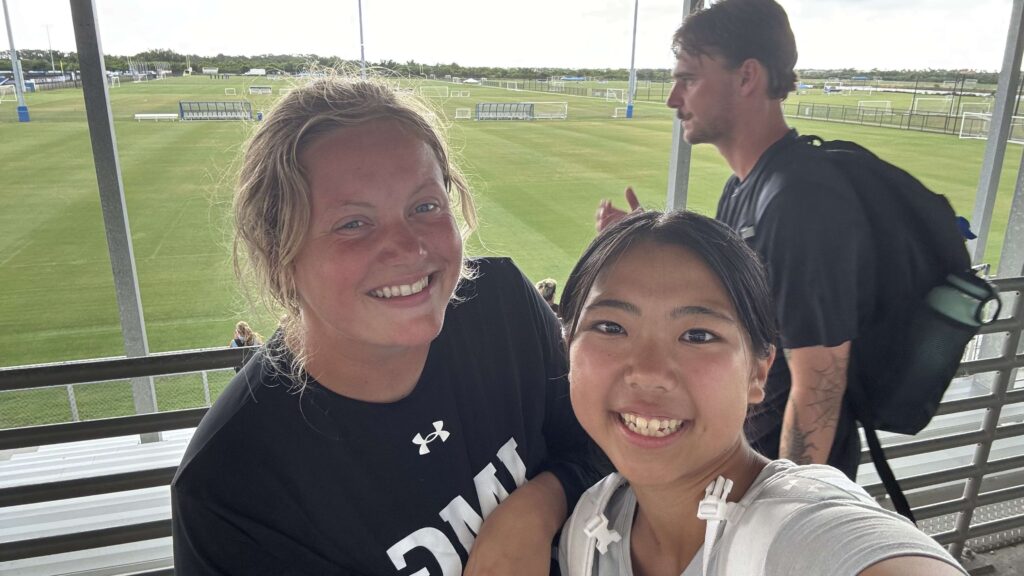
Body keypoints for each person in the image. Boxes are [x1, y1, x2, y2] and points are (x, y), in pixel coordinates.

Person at [172, 75, 599, 575]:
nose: (410, 248)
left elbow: (601, 444)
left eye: (425, 206)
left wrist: (536, 508)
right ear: (279, 252)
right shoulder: (230, 488)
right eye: (354, 223)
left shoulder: (501, 305)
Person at [558, 210, 966, 576]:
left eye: (697, 335)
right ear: (567, 347)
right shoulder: (589, 524)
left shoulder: (804, 532)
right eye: (610, 327)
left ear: (758, 372)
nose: (649, 373)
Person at [595, 0, 867, 478]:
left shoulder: (799, 200)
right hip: (743, 461)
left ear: (747, 77)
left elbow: (819, 386)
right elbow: (728, 297)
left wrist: (784, 505)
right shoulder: (744, 188)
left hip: (774, 477)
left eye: (688, 79)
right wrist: (646, 242)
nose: (673, 99)